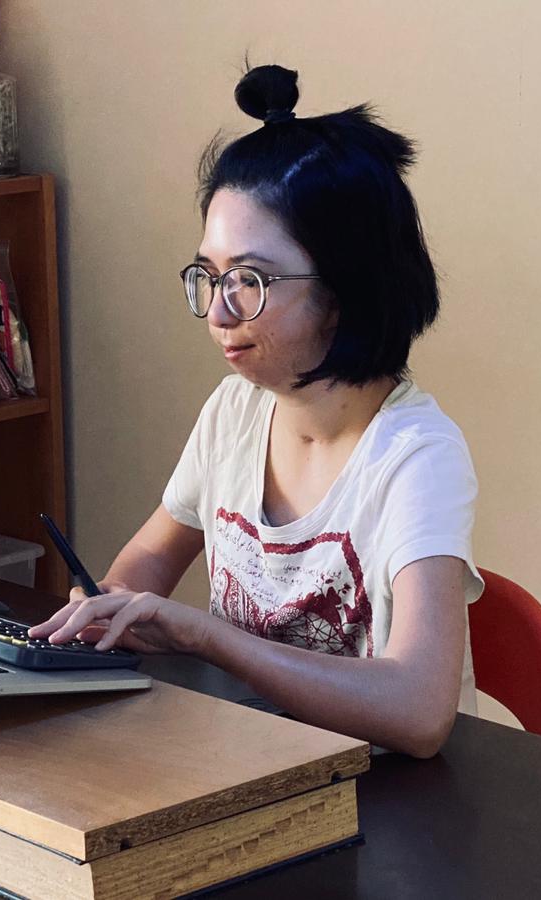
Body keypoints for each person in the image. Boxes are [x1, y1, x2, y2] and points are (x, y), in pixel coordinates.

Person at [29, 65, 483, 758]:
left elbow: (420, 712)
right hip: (246, 769)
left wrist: (207, 636)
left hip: (385, 809)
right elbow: (151, 555)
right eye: (208, 276)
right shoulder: (236, 411)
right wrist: (112, 604)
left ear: (345, 289)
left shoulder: (416, 455)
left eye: (250, 280)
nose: (217, 311)